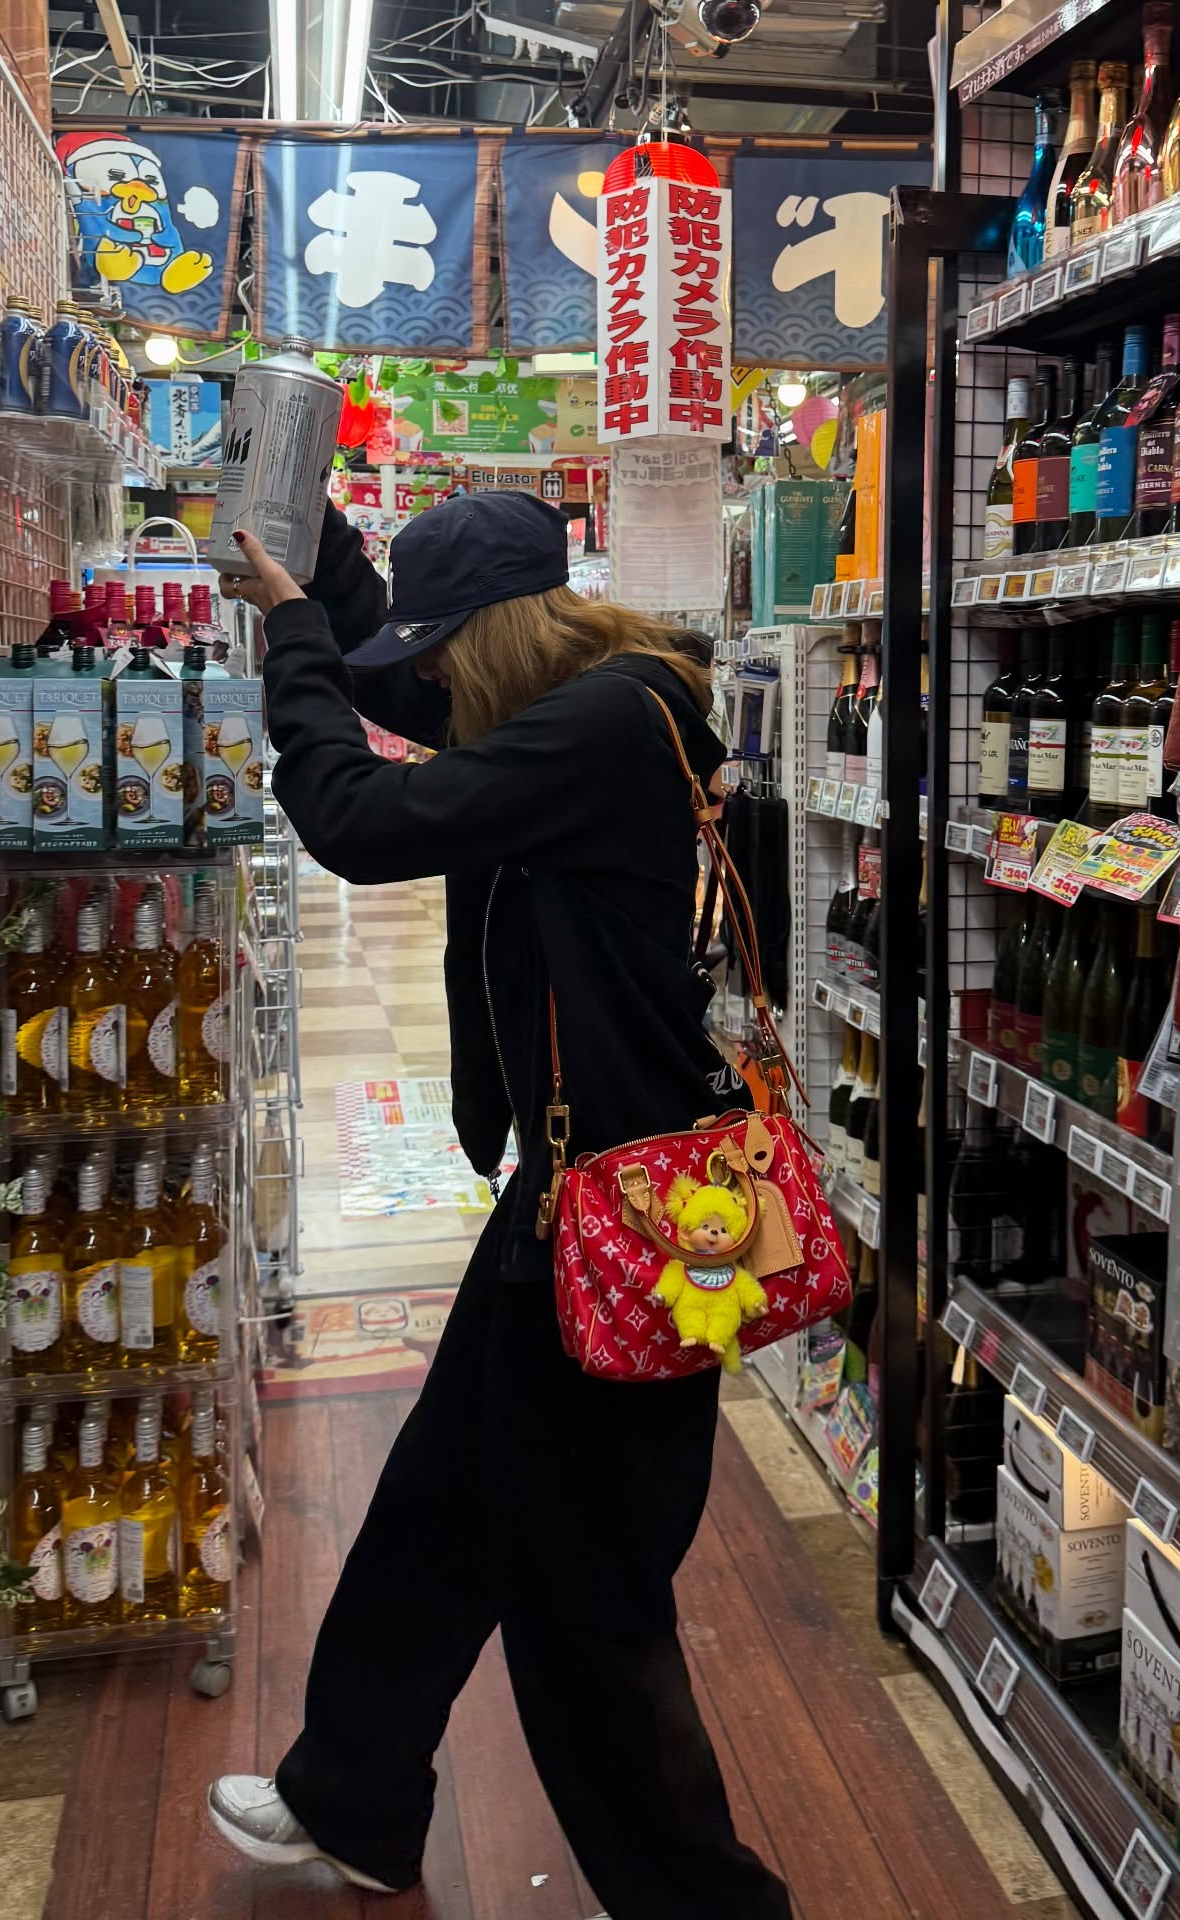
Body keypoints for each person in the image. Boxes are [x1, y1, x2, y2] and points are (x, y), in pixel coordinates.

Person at [207, 491, 791, 1920]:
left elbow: (358, 818)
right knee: (444, 1502)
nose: (427, 678)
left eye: (440, 644)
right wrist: (314, 547)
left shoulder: (597, 732)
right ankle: (354, 1796)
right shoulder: (576, 701)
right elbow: (407, 686)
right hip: (577, 1195)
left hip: (633, 1230)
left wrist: (292, 635)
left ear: (496, 635)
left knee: (588, 1609)